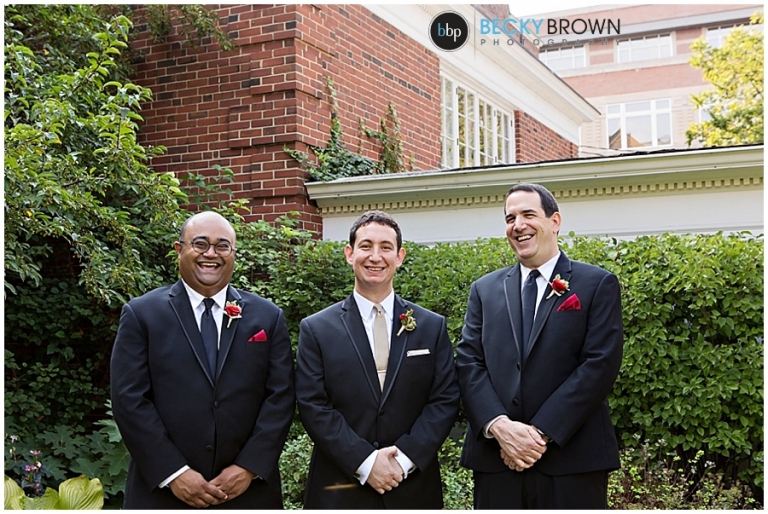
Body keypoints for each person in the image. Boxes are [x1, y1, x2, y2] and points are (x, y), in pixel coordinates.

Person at [110, 211, 295, 509]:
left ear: (233, 254)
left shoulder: (267, 317)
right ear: (179, 249)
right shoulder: (142, 315)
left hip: (248, 493)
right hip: (164, 494)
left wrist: (249, 467)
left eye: (222, 246)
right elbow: (128, 399)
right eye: (200, 244)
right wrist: (174, 472)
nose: (211, 253)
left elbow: (281, 396)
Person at [456, 183, 623, 509]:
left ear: (554, 221)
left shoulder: (596, 284)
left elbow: (599, 364)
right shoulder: (484, 290)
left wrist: (538, 434)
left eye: (528, 215)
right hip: (497, 461)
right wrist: (500, 427)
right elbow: (468, 362)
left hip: (572, 461)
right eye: (510, 218)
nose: (518, 225)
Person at [295, 210, 459, 509]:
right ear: (349, 254)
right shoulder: (316, 329)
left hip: (412, 487)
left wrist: (403, 461)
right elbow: (313, 404)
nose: (375, 256)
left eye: (385, 247)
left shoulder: (431, 326)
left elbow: (444, 399)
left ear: (399, 256)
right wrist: (365, 462)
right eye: (366, 246)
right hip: (339, 488)